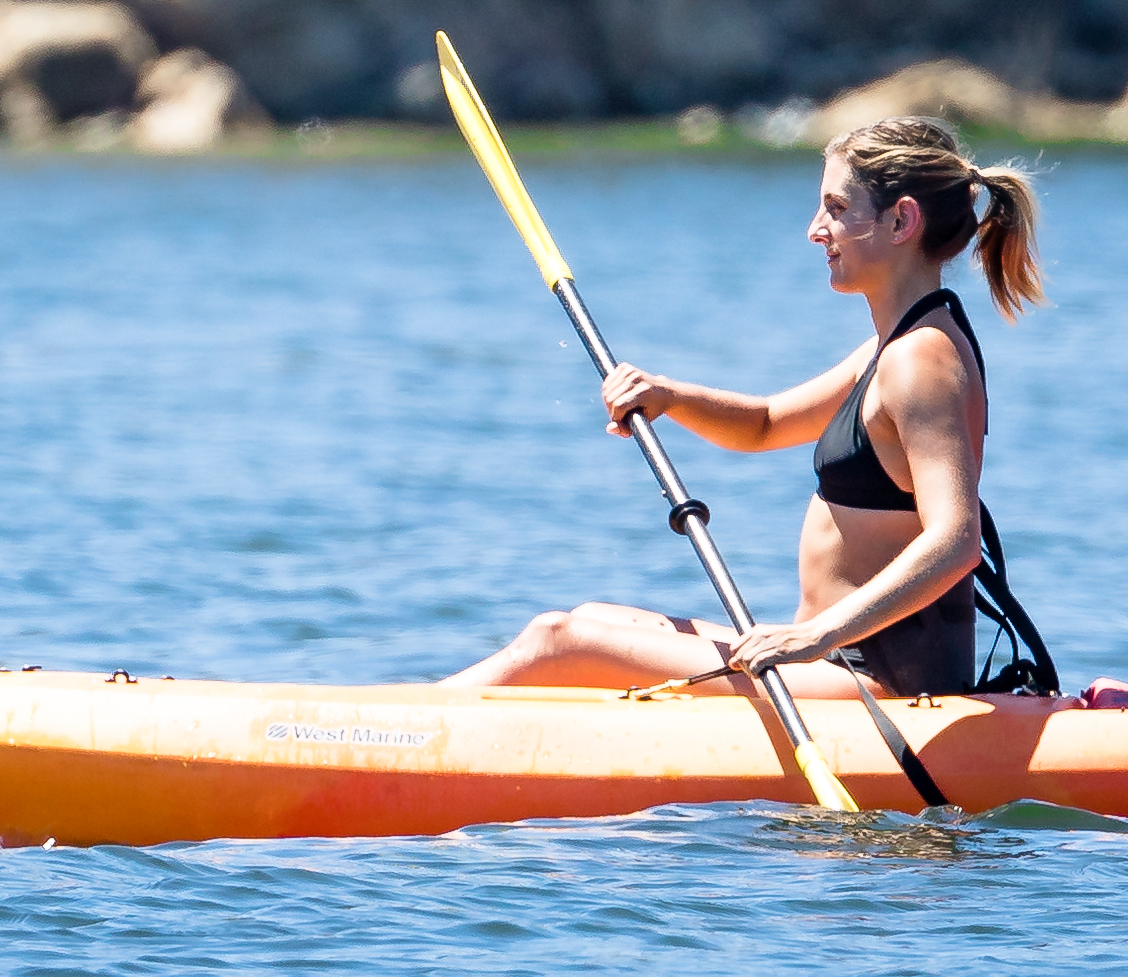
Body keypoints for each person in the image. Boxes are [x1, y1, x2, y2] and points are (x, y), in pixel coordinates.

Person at [444, 114, 1063, 700]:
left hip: (878, 686)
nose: (815, 228)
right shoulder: (889, 348)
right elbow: (765, 425)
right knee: (592, 619)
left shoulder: (922, 361)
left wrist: (811, 637)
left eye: (837, 208)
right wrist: (668, 396)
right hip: (828, 662)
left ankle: (383, 732)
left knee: (561, 640)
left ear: (902, 222)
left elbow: (956, 541)